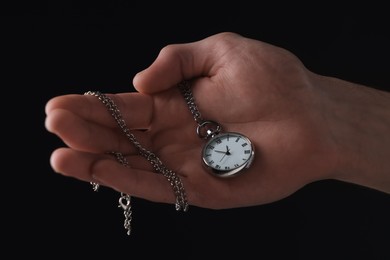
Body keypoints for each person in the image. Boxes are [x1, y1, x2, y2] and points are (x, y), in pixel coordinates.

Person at [45, 32, 390, 211]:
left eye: (224, 149)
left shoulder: (232, 143)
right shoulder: (220, 146)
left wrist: (323, 111)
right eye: (221, 150)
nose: (219, 145)